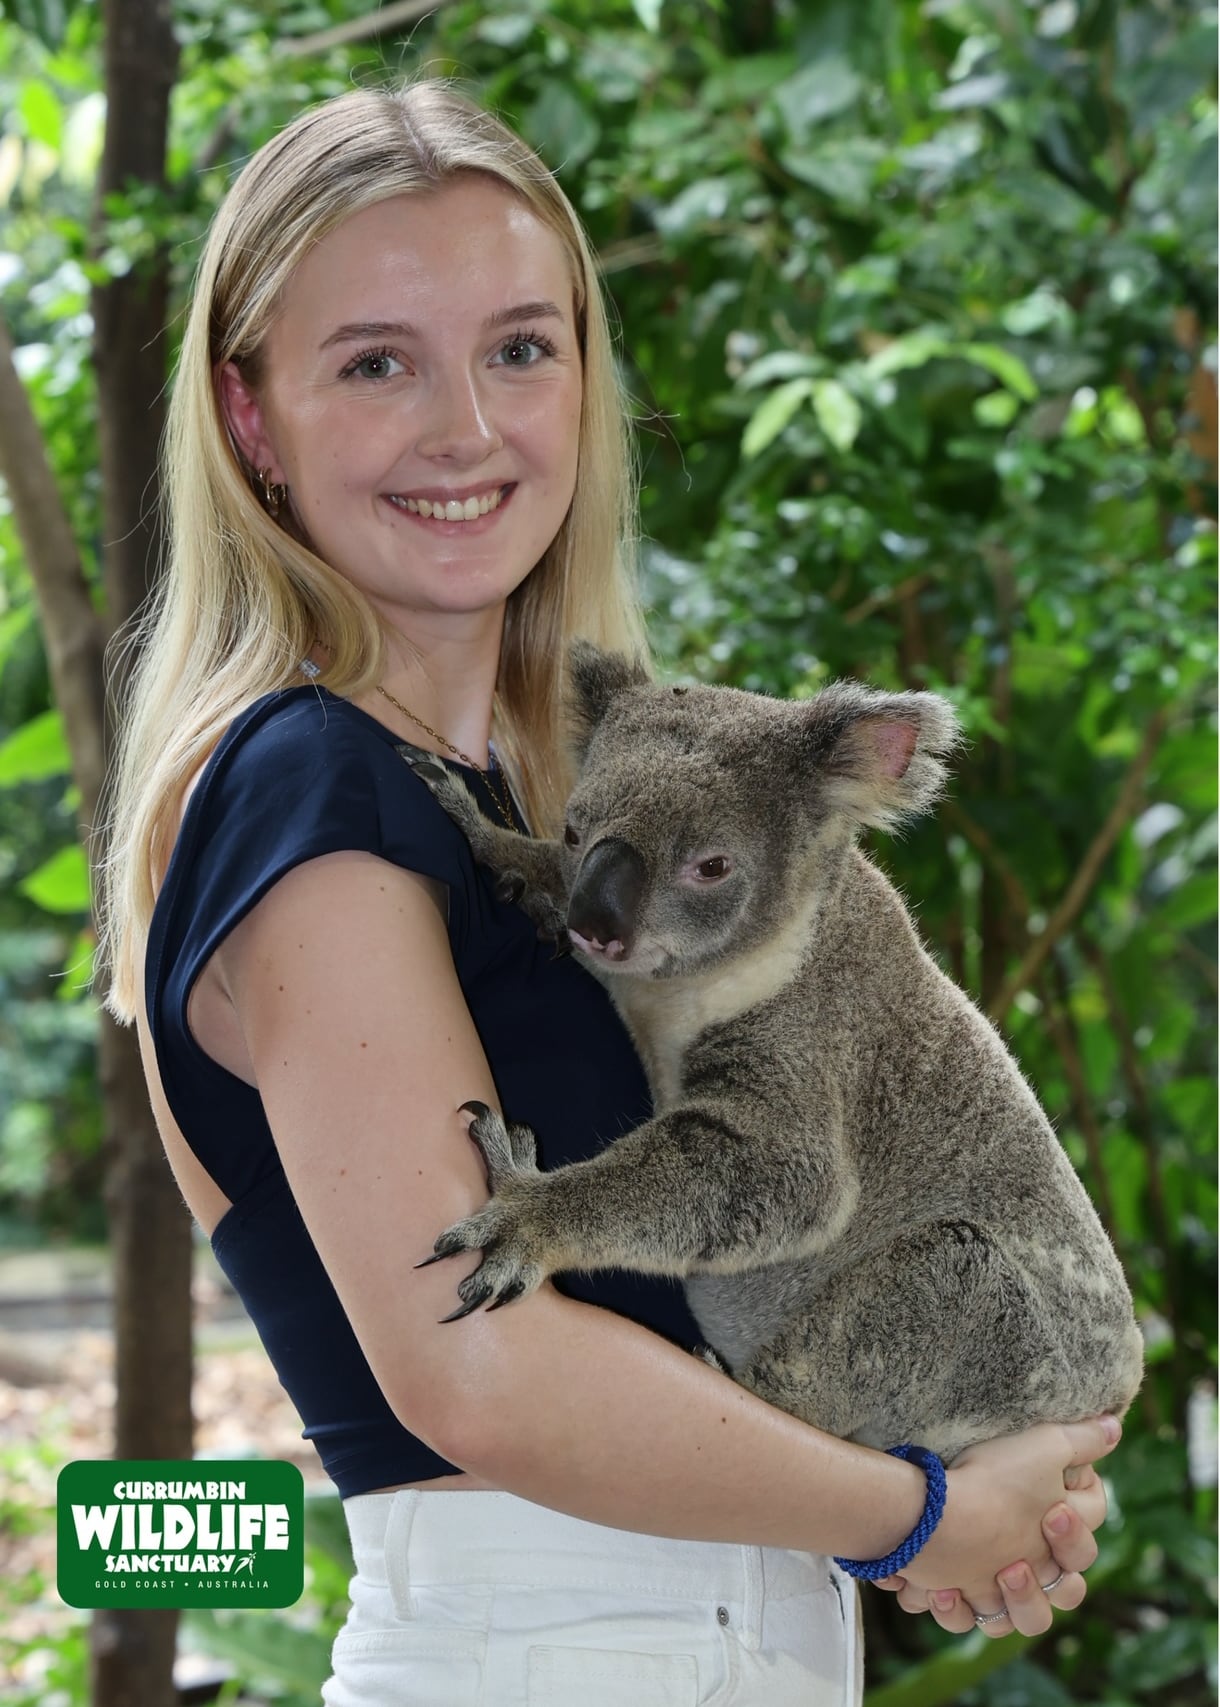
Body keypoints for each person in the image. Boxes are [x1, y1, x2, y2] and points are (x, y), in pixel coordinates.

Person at [98, 80, 1120, 1707]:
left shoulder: (543, 798)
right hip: (543, 1643)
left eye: (520, 349)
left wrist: (989, 1457)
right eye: (377, 363)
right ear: (248, 420)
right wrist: (912, 1515)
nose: (467, 428)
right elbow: (479, 1366)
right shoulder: (309, 791)